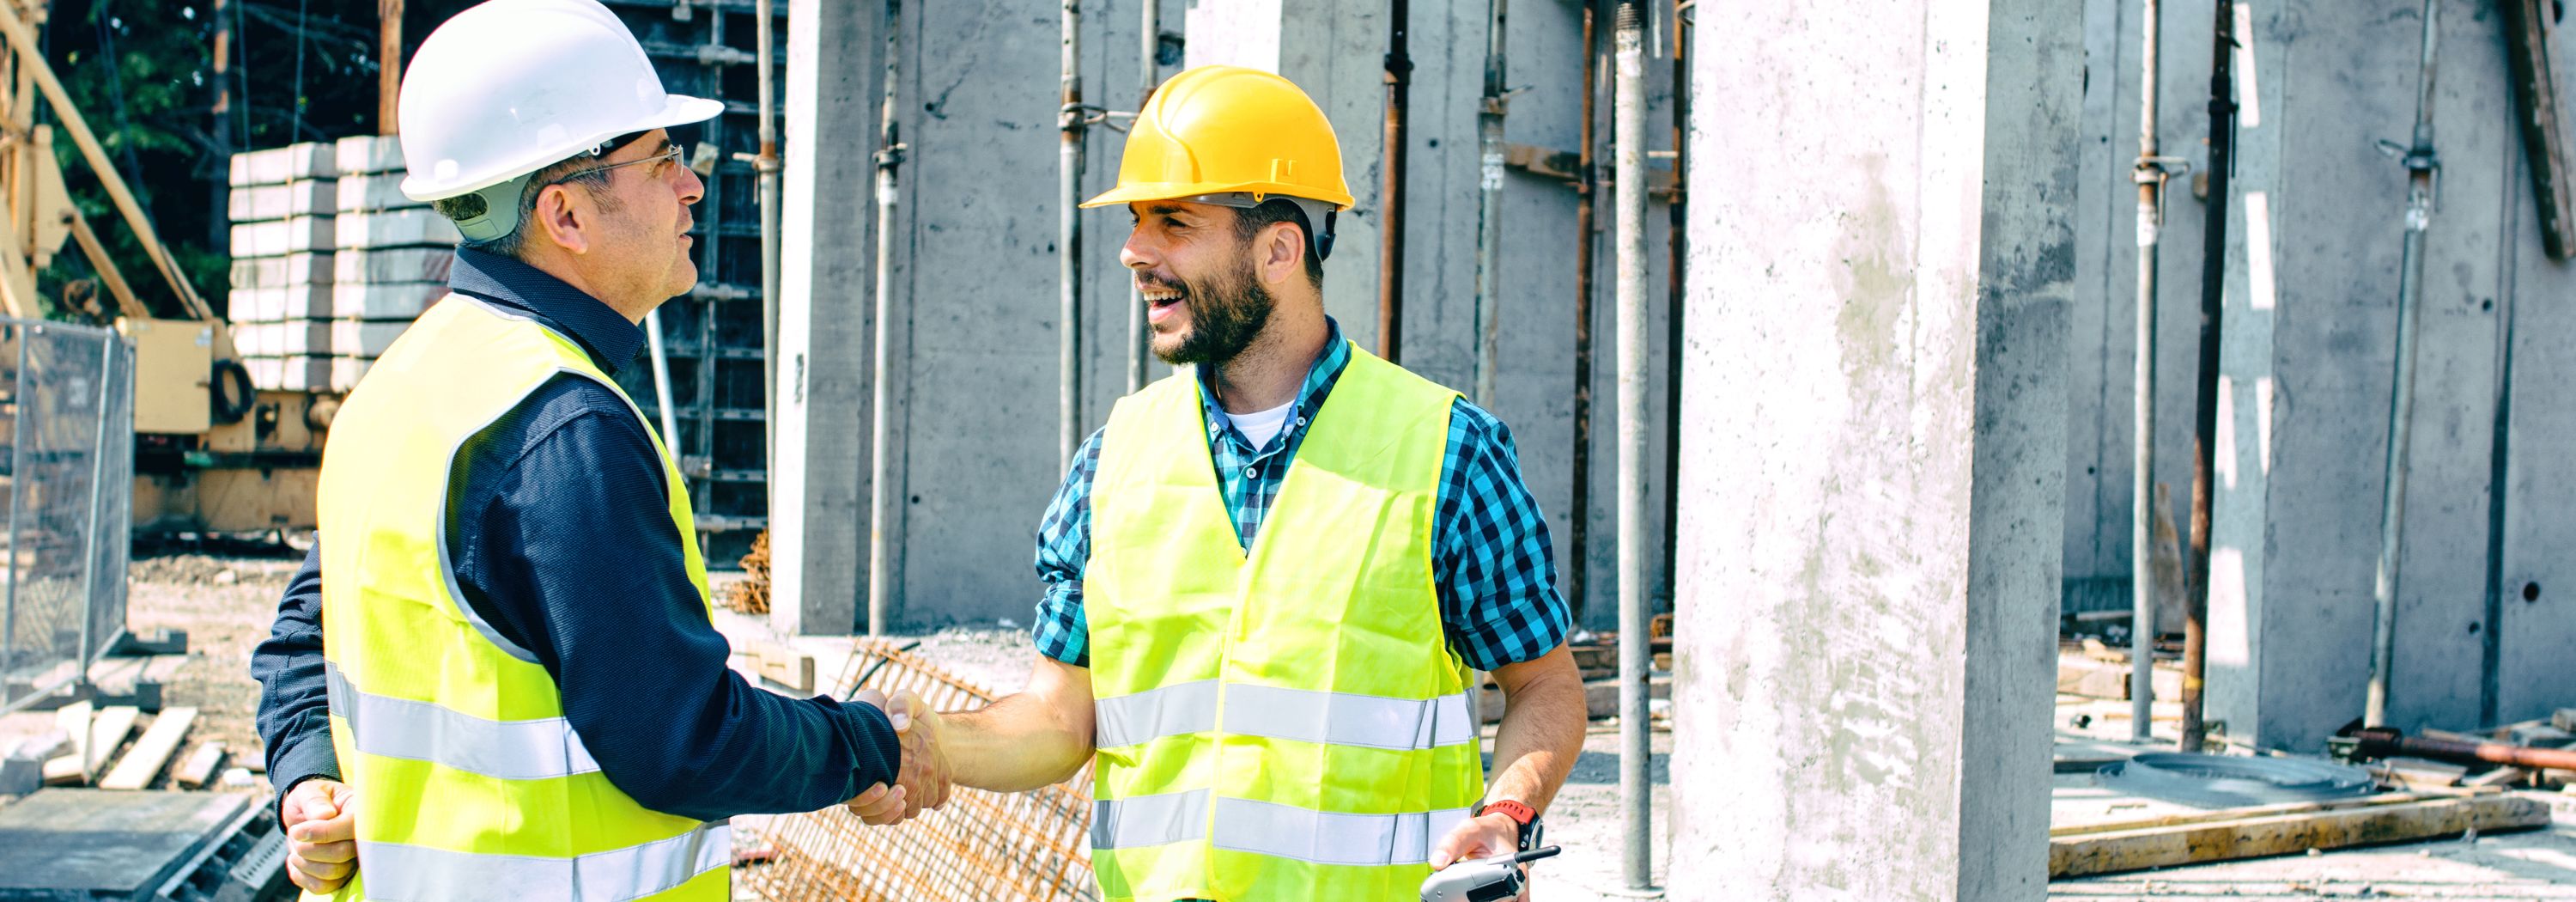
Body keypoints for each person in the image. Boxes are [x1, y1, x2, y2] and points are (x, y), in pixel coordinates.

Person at [246, 1, 939, 897]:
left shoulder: (404, 385)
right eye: (662, 162)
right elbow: (682, 739)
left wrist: (308, 780)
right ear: (565, 213)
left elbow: (305, 633)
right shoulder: (565, 429)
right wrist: (865, 745)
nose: (692, 187)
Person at [897, 64, 1588, 901]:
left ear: (1278, 249)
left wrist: (1505, 814)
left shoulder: (1446, 450)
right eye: (1136, 221)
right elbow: (1058, 717)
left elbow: (1544, 683)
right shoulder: (1114, 459)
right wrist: (925, 741)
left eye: (1174, 222)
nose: (1133, 251)